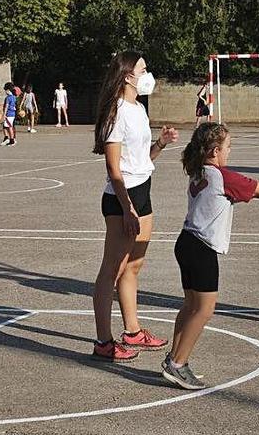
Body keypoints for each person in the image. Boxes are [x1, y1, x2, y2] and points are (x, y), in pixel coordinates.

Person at [163, 123, 259, 389]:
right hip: (202, 248)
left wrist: (251, 195)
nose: (230, 151)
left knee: (190, 306)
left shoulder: (199, 171)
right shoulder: (223, 175)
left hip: (186, 243)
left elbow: (221, 198)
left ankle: (175, 358)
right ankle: (178, 364)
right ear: (216, 150)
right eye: (228, 147)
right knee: (204, 310)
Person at [90, 51, 178, 363]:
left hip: (143, 191)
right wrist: (127, 208)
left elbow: (140, 161)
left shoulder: (138, 108)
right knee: (110, 271)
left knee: (134, 265)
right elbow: (115, 169)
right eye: (142, 69)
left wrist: (161, 144)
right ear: (128, 76)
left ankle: (133, 330)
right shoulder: (116, 113)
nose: (147, 74)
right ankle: (103, 341)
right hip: (121, 198)